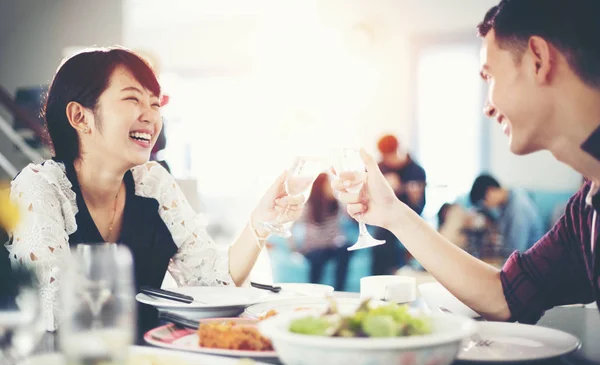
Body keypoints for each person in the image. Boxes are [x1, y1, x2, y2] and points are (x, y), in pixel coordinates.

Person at [333, 0, 600, 324]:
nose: (488, 106)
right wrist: (392, 213)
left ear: (538, 60)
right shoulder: (584, 213)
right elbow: (506, 296)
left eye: (489, 76)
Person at [5, 47, 305, 335]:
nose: (150, 116)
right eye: (133, 99)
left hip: (152, 364)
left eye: (155, 103)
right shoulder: (40, 187)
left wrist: (259, 221)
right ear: (80, 117)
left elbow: (216, 283)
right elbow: (54, 311)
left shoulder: (153, 182)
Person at [372, 133, 426, 275]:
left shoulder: (416, 171)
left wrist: (414, 197)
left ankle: (396, 276)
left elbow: (419, 207)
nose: (387, 160)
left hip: (408, 218)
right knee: (381, 239)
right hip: (383, 219)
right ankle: (378, 279)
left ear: (397, 150)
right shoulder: (379, 169)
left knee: (397, 236)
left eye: (389, 156)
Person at [295, 173, 352, 291]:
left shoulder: (336, 205)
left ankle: (339, 290)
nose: (333, 188)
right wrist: (294, 249)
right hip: (314, 249)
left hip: (330, 247)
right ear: (321, 186)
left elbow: (349, 216)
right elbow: (293, 224)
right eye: (329, 185)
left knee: (345, 249)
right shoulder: (309, 207)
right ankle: (314, 290)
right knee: (318, 256)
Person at [469, 174, 544, 256]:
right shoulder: (507, 201)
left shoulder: (518, 209)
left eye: (484, 202)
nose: (486, 207)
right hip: (517, 254)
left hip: (529, 258)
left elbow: (517, 251)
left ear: (490, 191)